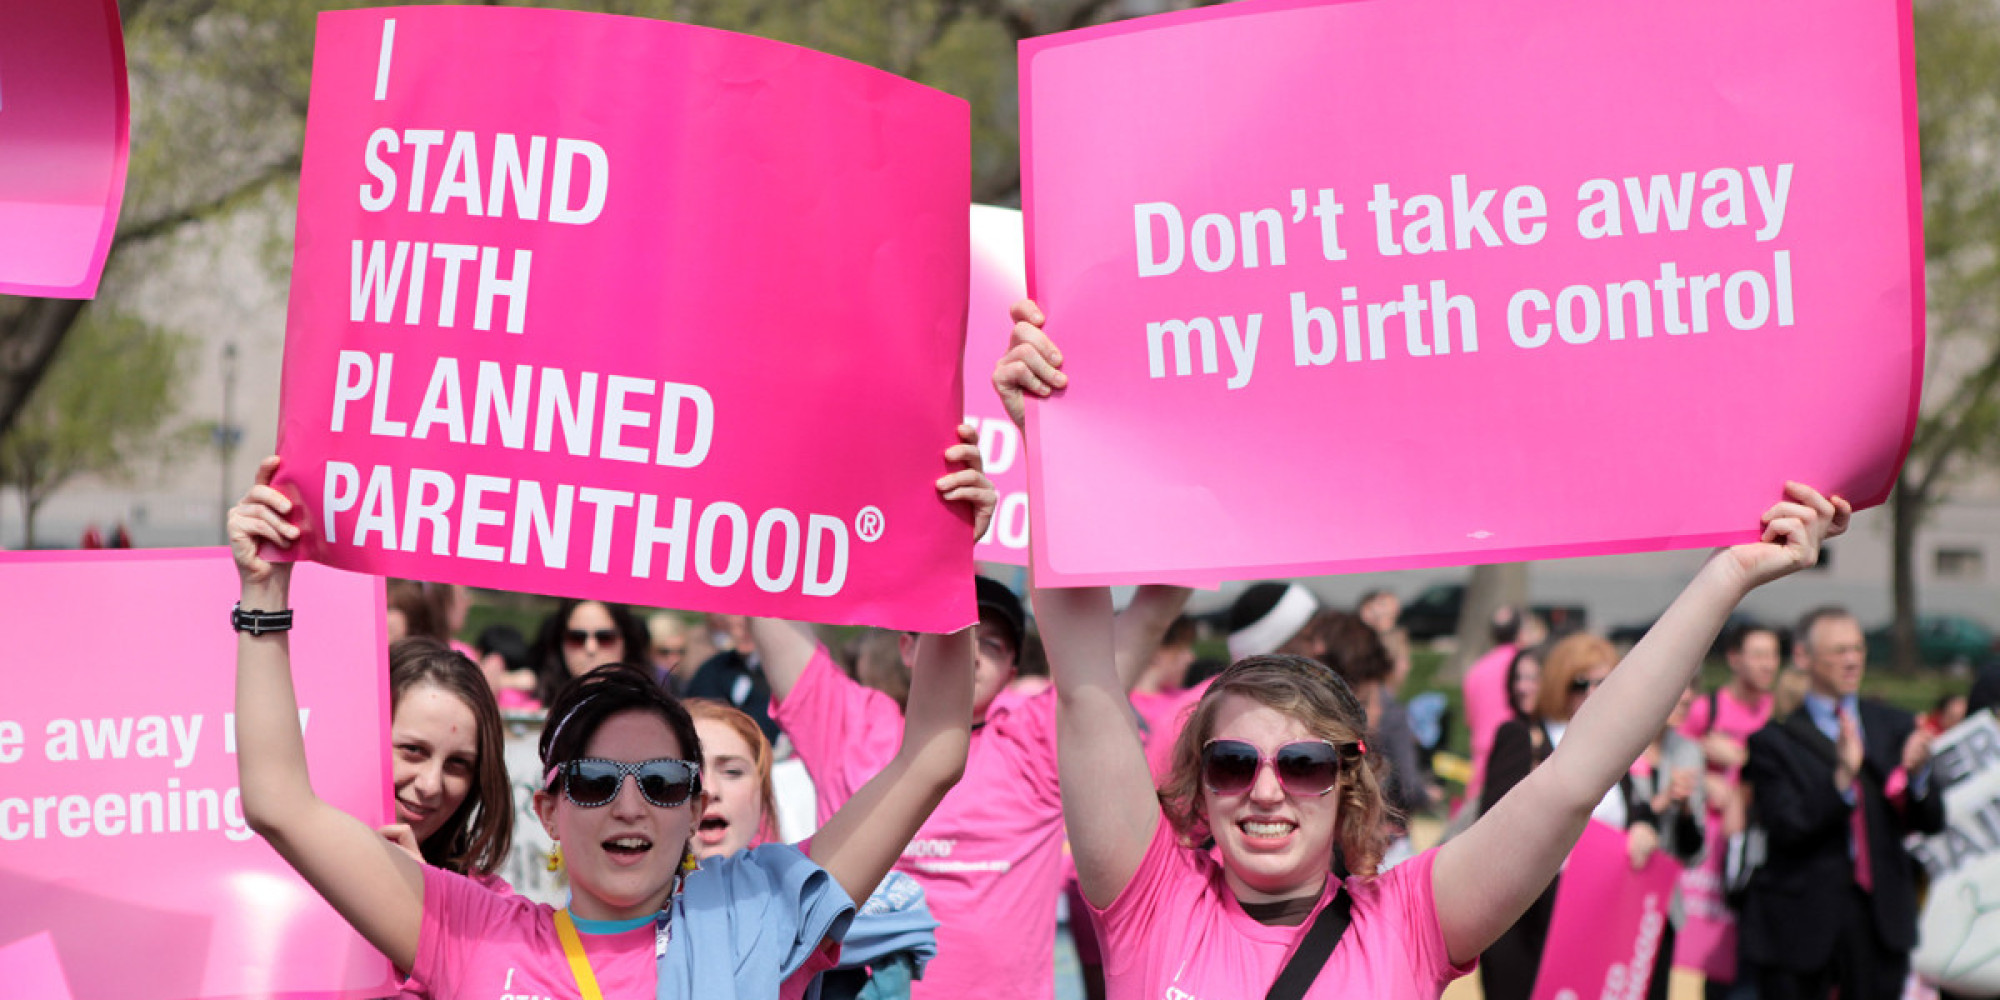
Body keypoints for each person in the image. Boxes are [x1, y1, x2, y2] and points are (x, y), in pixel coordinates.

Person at [998, 297, 1845, 1000]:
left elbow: (1577, 772)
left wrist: (1728, 577)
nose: (1265, 790)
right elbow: (1084, 682)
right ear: (1197, 786)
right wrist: (1050, 436)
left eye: (1301, 764)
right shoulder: (1150, 898)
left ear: (1349, 780)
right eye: (1230, 763)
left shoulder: (1411, 918)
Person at [228, 438, 992, 1000]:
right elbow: (279, 804)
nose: (630, 804)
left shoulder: (756, 911)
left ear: (695, 809)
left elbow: (931, 754)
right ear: (550, 809)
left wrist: (947, 566)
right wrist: (264, 595)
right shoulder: (472, 931)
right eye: (596, 782)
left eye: (662, 782)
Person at [761, 575, 1189, 1000]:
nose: (971, 655)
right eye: (950, 632)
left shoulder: (1038, 741)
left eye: (992, 644)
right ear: (908, 648)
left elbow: (1145, 622)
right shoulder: (847, 727)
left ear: (1012, 671)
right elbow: (769, 610)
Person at [1737, 607, 1947, 1000]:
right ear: (1803, 657)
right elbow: (1787, 827)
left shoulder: (1893, 725)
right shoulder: (1774, 742)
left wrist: (1918, 776)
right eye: (1838, 651)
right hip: (1803, 926)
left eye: (1858, 649)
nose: (1852, 660)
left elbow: (1932, 820)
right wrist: (1841, 780)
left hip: (1882, 919)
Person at [688, 699, 938, 1000]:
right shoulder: (631, 912)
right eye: (690, 772)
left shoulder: (809, 896)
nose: (709, 790)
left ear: (762, 793)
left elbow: (932, 766)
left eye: (732, 772)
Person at [1477, 632, 1620, 1000]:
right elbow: (1495, 816)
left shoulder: (1619, 745)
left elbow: (1636, 815)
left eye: (1604, 683)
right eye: (1580, 683)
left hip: (1597, 912)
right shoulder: (1525, 737)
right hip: (1531, 913)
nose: (1591, 692)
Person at [1677, 624, 1781, 998]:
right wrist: (1705, 780)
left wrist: (1741, 760)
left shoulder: (1779, 714)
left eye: (1773, 655)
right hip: (1714, 854)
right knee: (1717, 957)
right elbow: (1672, 760)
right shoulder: (1707, 710)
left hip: (1761, 846)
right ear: (1734, 659)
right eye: (1758, 655)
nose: (1768, 665)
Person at [530, 598, 654, 706]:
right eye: (576, 638)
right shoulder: (528, 708)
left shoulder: (652, 711)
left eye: (605, 638)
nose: (590, 648)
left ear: (626, 643)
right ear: (560, 644)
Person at [686, 614, 780, 744]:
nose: (743, 634)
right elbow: (699, 708)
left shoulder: (777, 669)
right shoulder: (714, 668)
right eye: (737, 627)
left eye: (749, 627)